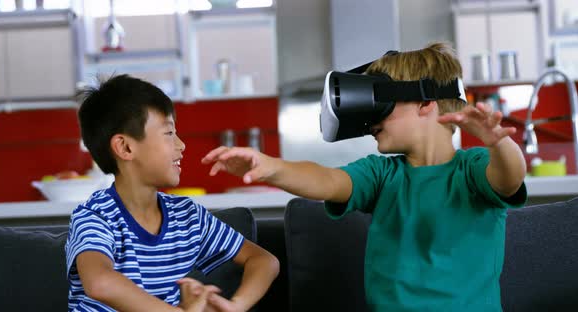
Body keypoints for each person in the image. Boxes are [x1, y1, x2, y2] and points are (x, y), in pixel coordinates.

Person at [202, 42, 527, 311]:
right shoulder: (382, 174)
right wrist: (272, 167)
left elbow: (508, 178)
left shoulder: (472, 168)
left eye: (381, 102)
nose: (370, 119)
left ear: (426, 102)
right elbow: (326, 180)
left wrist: (499, 143)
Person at [65, 74, 279, 312]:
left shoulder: (187, 216)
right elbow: (99, 283)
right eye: (168, 133)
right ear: (125, 147)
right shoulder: (95, 217)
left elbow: (264, 261)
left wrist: (234, 306)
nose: (181, 145)